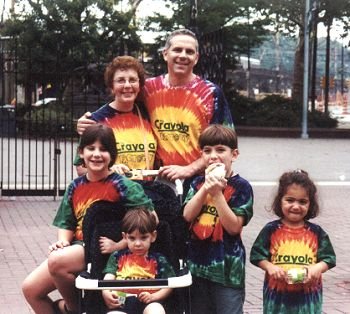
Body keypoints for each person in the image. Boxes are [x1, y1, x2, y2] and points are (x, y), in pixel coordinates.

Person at [22, 124, 157, 314]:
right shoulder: (75, 186)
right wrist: (62, 242)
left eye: (103, 149)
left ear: (112, 155)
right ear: (81, 152)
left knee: (56, 262)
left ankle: (74, 308)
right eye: (91, 148)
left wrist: (122, 242)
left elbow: (151, 219)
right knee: (31, 289)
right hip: (77, 246)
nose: (96, 154)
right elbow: (66, 222)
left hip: (101, 248)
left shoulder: (123, 186)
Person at [77, 29, 234, 187]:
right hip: (158, 183)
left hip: (199, 183)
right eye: (177, 50)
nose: (183, 55)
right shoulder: (148, 89)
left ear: (196, 58)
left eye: (189, 51)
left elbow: (226, 143)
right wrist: (90, 122)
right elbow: (121, 102)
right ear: (166, 54)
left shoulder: (211, 93)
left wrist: (189, 169)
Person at [183, 124, 254, 314]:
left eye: (220, 150)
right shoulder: (198, 183)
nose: (213, 155)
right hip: (197, 266)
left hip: (227, 270)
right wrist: (206, 188)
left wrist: (217, 194)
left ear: (234, 155)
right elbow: (187, 215)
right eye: (207, 151)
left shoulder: (242, 186)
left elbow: (234, 227)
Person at [250, 169, 336, 314]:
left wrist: (317, 268)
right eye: (290, 200)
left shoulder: (316, 232)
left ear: (310, 204)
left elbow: (329, 258)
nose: (296, 206)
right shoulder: (271, 229)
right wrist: (270, 267)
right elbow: (257, 255)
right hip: (277, 299)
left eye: (302, 202)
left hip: (308, 300)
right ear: (280, 200)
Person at [74, 55, 157, 176]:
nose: (127, 85)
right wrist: (108, 170)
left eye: (132, 80)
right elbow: (81, 168)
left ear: (139, 85)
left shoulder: (148, 115)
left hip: (146, 193)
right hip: (112, 191)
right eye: (121, 80)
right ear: (111, 86)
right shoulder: (96, 120)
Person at [102, 208, 175, 314]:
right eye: (132, 238)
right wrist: (105, 292)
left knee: (156, 310)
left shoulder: (159, 259)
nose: (137, 243)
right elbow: (108, 278)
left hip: (148, 299)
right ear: (125, 237)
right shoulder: (117, 256)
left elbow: (170, 285)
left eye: (143, 238)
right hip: (122, 299)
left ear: (153, 236)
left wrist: (154, 297)